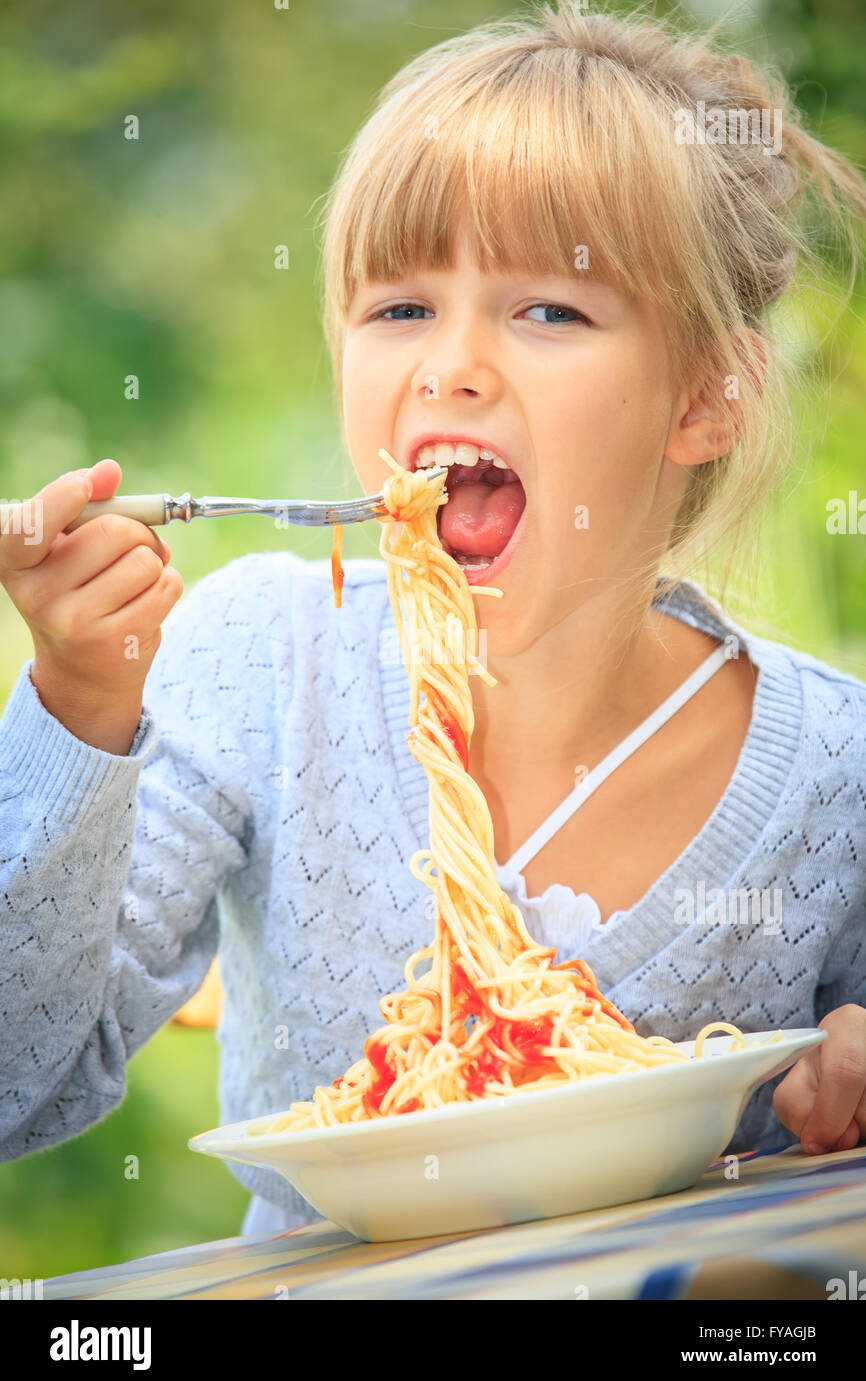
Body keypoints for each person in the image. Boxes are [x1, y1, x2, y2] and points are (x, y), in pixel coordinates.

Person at [1, 2, 865, 1241]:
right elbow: (14, 1085)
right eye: (399, 308)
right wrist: (78, 708)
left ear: (704, 397)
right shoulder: (259, 663)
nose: (446, 366)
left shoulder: (832, 775)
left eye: (548, 311)